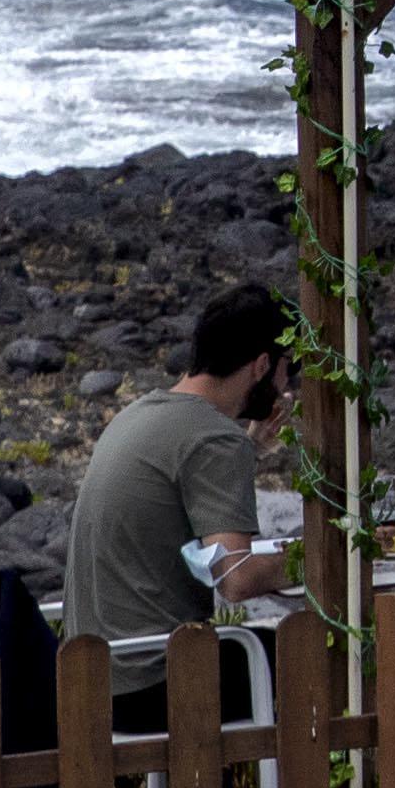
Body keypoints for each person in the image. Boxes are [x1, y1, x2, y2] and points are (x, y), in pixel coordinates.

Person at [62, 283, 290, 726]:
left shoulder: (141, 412)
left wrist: (251, 451)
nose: (285, 388)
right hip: (156, 681)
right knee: (321, 652)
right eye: (287, 372)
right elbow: (237, 579)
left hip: (92, 678)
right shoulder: (214, 438)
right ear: (262, 365)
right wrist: (323, 556)